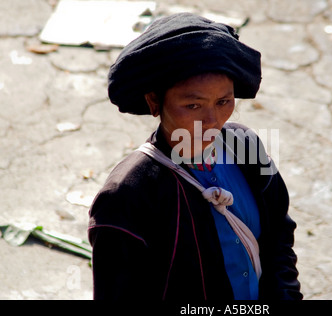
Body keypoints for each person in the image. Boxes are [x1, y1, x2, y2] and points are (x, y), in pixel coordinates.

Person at [88, 12, 302, 301]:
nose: (212, 120)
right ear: (154, 102)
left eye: (224, 101)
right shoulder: (127, 195)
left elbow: (278, 235)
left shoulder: (246, 146)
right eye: (193, 105)